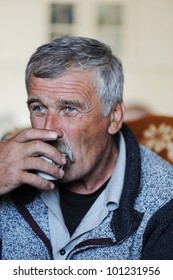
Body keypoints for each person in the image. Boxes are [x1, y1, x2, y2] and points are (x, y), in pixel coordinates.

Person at [0, 36, 173, 260]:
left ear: (114, 117)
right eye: (39, 108)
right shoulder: (7, 171)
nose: (50, 130)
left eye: (70, 109)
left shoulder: (165, 201)